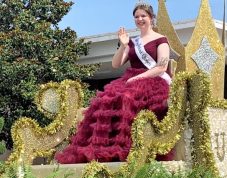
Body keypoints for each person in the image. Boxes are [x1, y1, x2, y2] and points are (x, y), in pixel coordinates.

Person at [55, 2, 173, 164]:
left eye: (143, 16)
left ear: (151, 18)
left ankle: (128, 148)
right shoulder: (133, 42)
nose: (140, 19)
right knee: (105, 99)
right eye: (136, 17)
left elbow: (162, 66)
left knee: (127, 97)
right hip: (131, 79)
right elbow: (116, 64)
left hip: (153, 81)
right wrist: (123, 45)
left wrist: (138, 78)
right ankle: (102, 149)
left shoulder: (161, 40)